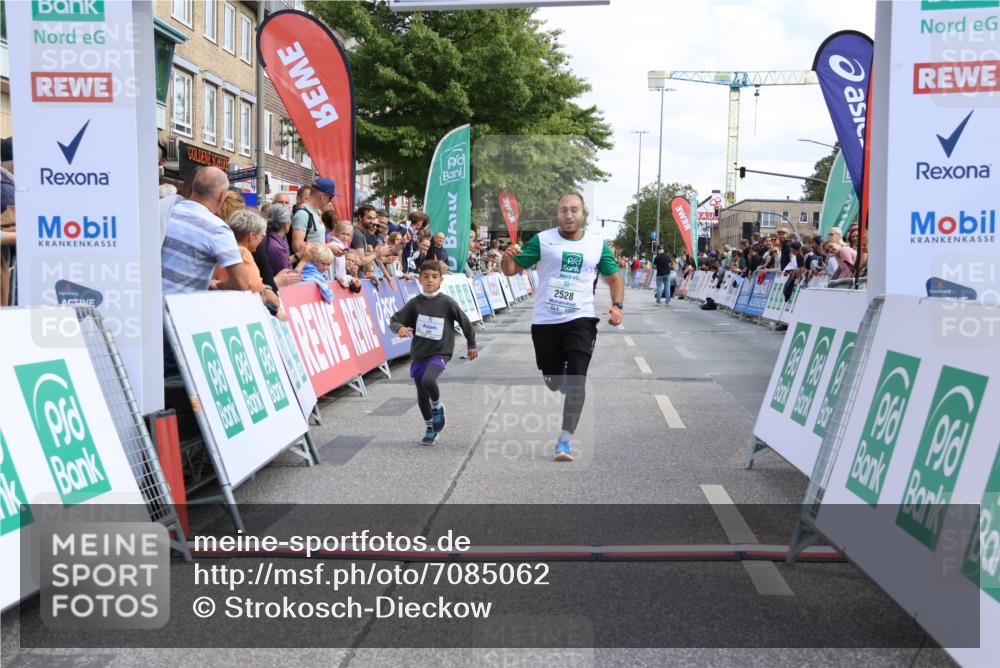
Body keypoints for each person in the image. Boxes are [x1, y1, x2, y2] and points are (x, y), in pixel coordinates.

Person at [501, 192, 623, 462]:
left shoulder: (596, 245)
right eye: (563, 210)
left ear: (584, 213)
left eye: (574, 210)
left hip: (580, 319)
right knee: (553, 381)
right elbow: (510, 270)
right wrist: (506, 256)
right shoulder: (543, 240)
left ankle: (565, 442)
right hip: (546, 322)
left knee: (578, 382)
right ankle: (561, 379)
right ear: (557, 214)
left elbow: (614, 279)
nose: (569, 215)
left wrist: (617, 306)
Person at [390, 259, 478, 446]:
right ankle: (430, 427)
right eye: (426, 276)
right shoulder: (415, 304)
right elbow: (395, 320)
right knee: (422, 396)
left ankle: (437, 406)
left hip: (440, 352)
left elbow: (464, 321)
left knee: (428, 380)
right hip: (420, 353)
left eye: (434, 277)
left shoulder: (446, 302)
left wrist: (471, 343)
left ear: (441, 280)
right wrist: (399, 329)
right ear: (420, 279)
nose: (430, 280)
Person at [162, 166, 253, 295]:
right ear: (222, 196)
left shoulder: (168, 209)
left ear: (194, 187)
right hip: (180, 310)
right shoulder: (217, 229)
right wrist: (219, 285)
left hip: (147, 305)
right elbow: (242, 282)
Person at [211, 208, 283, 316]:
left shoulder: (223, 249)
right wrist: (265, 288)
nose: (262, 241)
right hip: (236, 309)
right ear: (251, 237)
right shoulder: (243, 253)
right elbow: (253, 284)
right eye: (262, 236)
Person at [291, 178, 336, 255]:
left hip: (316, 264)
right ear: (323, 196)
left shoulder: (315, 212)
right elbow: (297, 246)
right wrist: (326, 247)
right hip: (308, 265)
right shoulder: (303, 214)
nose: (330, 201)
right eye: (330, 198)